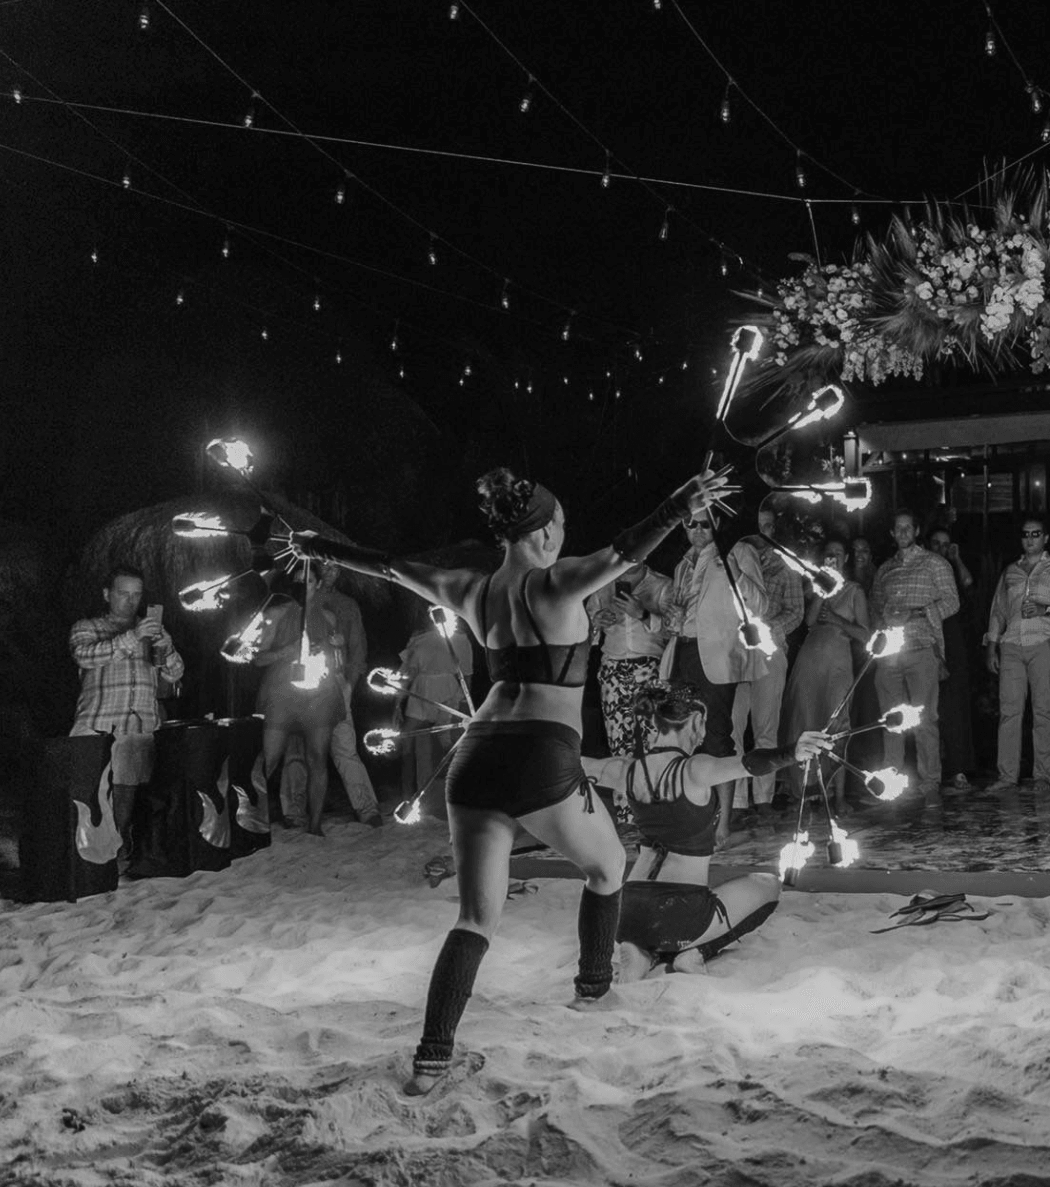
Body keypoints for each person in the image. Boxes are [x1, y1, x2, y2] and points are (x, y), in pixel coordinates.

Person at [285, 463, 727, 1093]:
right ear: (544, 533)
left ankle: (432, 1056)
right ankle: (592, 989)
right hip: (540, 753)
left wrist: (319, 546)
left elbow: (389, 566)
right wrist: (679, 504)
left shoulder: (472, 589)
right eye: (561, 524)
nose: (564, 534)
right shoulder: (557, 582)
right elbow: (626, 549)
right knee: (607, 867)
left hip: (476, 755)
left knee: (474, 918)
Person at [581, 681, 831, 975]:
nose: (703, 735)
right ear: (696, 720)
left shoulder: (627, 769)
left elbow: (574, 765)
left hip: (627, 911)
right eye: (704, 724)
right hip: (681, 912)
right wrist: (793, 752)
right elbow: (748, 764)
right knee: (769, 885)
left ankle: (639, 950)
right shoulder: (694, 769)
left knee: (651, 928)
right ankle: (694, 952)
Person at [69, 564, 184, 872]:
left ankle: (119, 852)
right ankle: (85, 862)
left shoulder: (153, 631)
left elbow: (175, 673)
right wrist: (134, 636)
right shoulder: (88, 627)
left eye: (136, 595)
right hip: (97, 722)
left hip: (139, 722)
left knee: (127, 793)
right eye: (123, 593)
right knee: (89, 794)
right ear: (107, 594)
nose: (130, 601)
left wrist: (166, 648)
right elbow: (86, 656)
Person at [661, 515, 769, 790]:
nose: (697, 529)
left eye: (704, 523)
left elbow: (760, 605)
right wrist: (672, 618)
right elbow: (682, 615)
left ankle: (724, 816)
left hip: (716, 656)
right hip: (683, 651)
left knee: (716, 737)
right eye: (690, 523)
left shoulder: (739, 552)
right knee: (680, 734)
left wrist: (735, 572)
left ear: (717, 522)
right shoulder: (682, 565)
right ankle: (693, 806)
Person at [986, 517, 1050, 788]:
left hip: (1043, 641)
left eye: (1036, 534)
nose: (1030, 539)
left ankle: (1042, 774)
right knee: (1009, 711)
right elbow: (998, 611)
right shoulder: (1011, 571)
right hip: (1011, 643)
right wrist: (992, 645)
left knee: (1044, 710)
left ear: (1046, 538)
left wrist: (1046, 609)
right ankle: (1007, 775)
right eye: (1026, 534)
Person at [870, 511, 959, 795]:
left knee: (924, 718)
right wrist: (886, 620)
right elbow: (875, 607)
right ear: (892, 533)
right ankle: (891, 780)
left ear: (917, 530)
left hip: (921, 647)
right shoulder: (885, 569)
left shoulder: (935, 563)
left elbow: (952, 601)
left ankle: (930, 780)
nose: (903, 532)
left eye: (908, 527)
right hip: (890, 653)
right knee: (891, 719)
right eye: (898, 528)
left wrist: (919, 613)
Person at [782, 539, 871, 813]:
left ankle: (839, 796)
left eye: (838, 554)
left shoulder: (855, 591)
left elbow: (865, 634)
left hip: (838, 664)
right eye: (829, 554)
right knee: (804, 719)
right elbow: (809, 621)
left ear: (846, 558)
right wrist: (823, 588)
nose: (833, 557)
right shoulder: (816, 587)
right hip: (810, 661)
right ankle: (806, 791)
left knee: (836, 725)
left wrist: (837, 620)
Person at [251, 588, 349, 835]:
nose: (303, 585)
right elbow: (258, 659)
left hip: (319, 695)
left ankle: (315, 825)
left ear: (317, 584)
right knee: (269, 758)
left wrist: (336, 649)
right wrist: (288, 650)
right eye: (297, 581)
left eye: (310, 581)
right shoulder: (276, 614)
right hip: (282, 694)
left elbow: (339, 663)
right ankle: (254, 821)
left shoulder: (328, 617)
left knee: (317, 758)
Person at [731, 498, 804, 822]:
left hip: (770, 651)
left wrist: (768, 628)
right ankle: (736, 801)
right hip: (735, 653)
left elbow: (796, 612)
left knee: (765, 728)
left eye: (769, 526)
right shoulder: (732, 559)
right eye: (758, 525)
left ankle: (763, 798)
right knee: (733, 727)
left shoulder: (785, 564)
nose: (763, 532)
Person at [309, 562, 383, 828]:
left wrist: (349, 685)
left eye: (334, 568)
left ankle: (367, 807)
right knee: (299, 747)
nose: (329, 572)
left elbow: (357, 648)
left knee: (344, 747)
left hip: (335, 681)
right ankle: (294, 812)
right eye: (324, 567)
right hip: (300, 682)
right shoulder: (298, 602)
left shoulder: (347, 605)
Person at [393, 604, 475, 822]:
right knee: (406, 741)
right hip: (420, 691)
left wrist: (464, 704)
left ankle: (457, 799)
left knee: (450, 746)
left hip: (448, 694)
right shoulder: (418, 638)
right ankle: (407, 798)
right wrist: (397, 703)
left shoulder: (460, 639)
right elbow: (406, 673)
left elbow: (467, 675)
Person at [587, 563, 671, 762]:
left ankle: (650, 781)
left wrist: (643, 614)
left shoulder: (662, 584)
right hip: (613, 669)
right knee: (618, 740)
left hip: (651, 668)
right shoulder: (602, 584)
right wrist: (595, 623)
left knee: (653, 738)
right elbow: (584, 634)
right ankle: (623, 781)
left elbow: (674, 629)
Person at [928, 526, 979, 789]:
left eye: (946, 544)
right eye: (936, 543)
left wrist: (956, 558)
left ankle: (958, 767)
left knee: (955, 704)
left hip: (954, 639)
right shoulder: (925, 569)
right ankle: (931, 769)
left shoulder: (952, 570)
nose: (941, 549)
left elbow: (968, 585)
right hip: (927, 636)